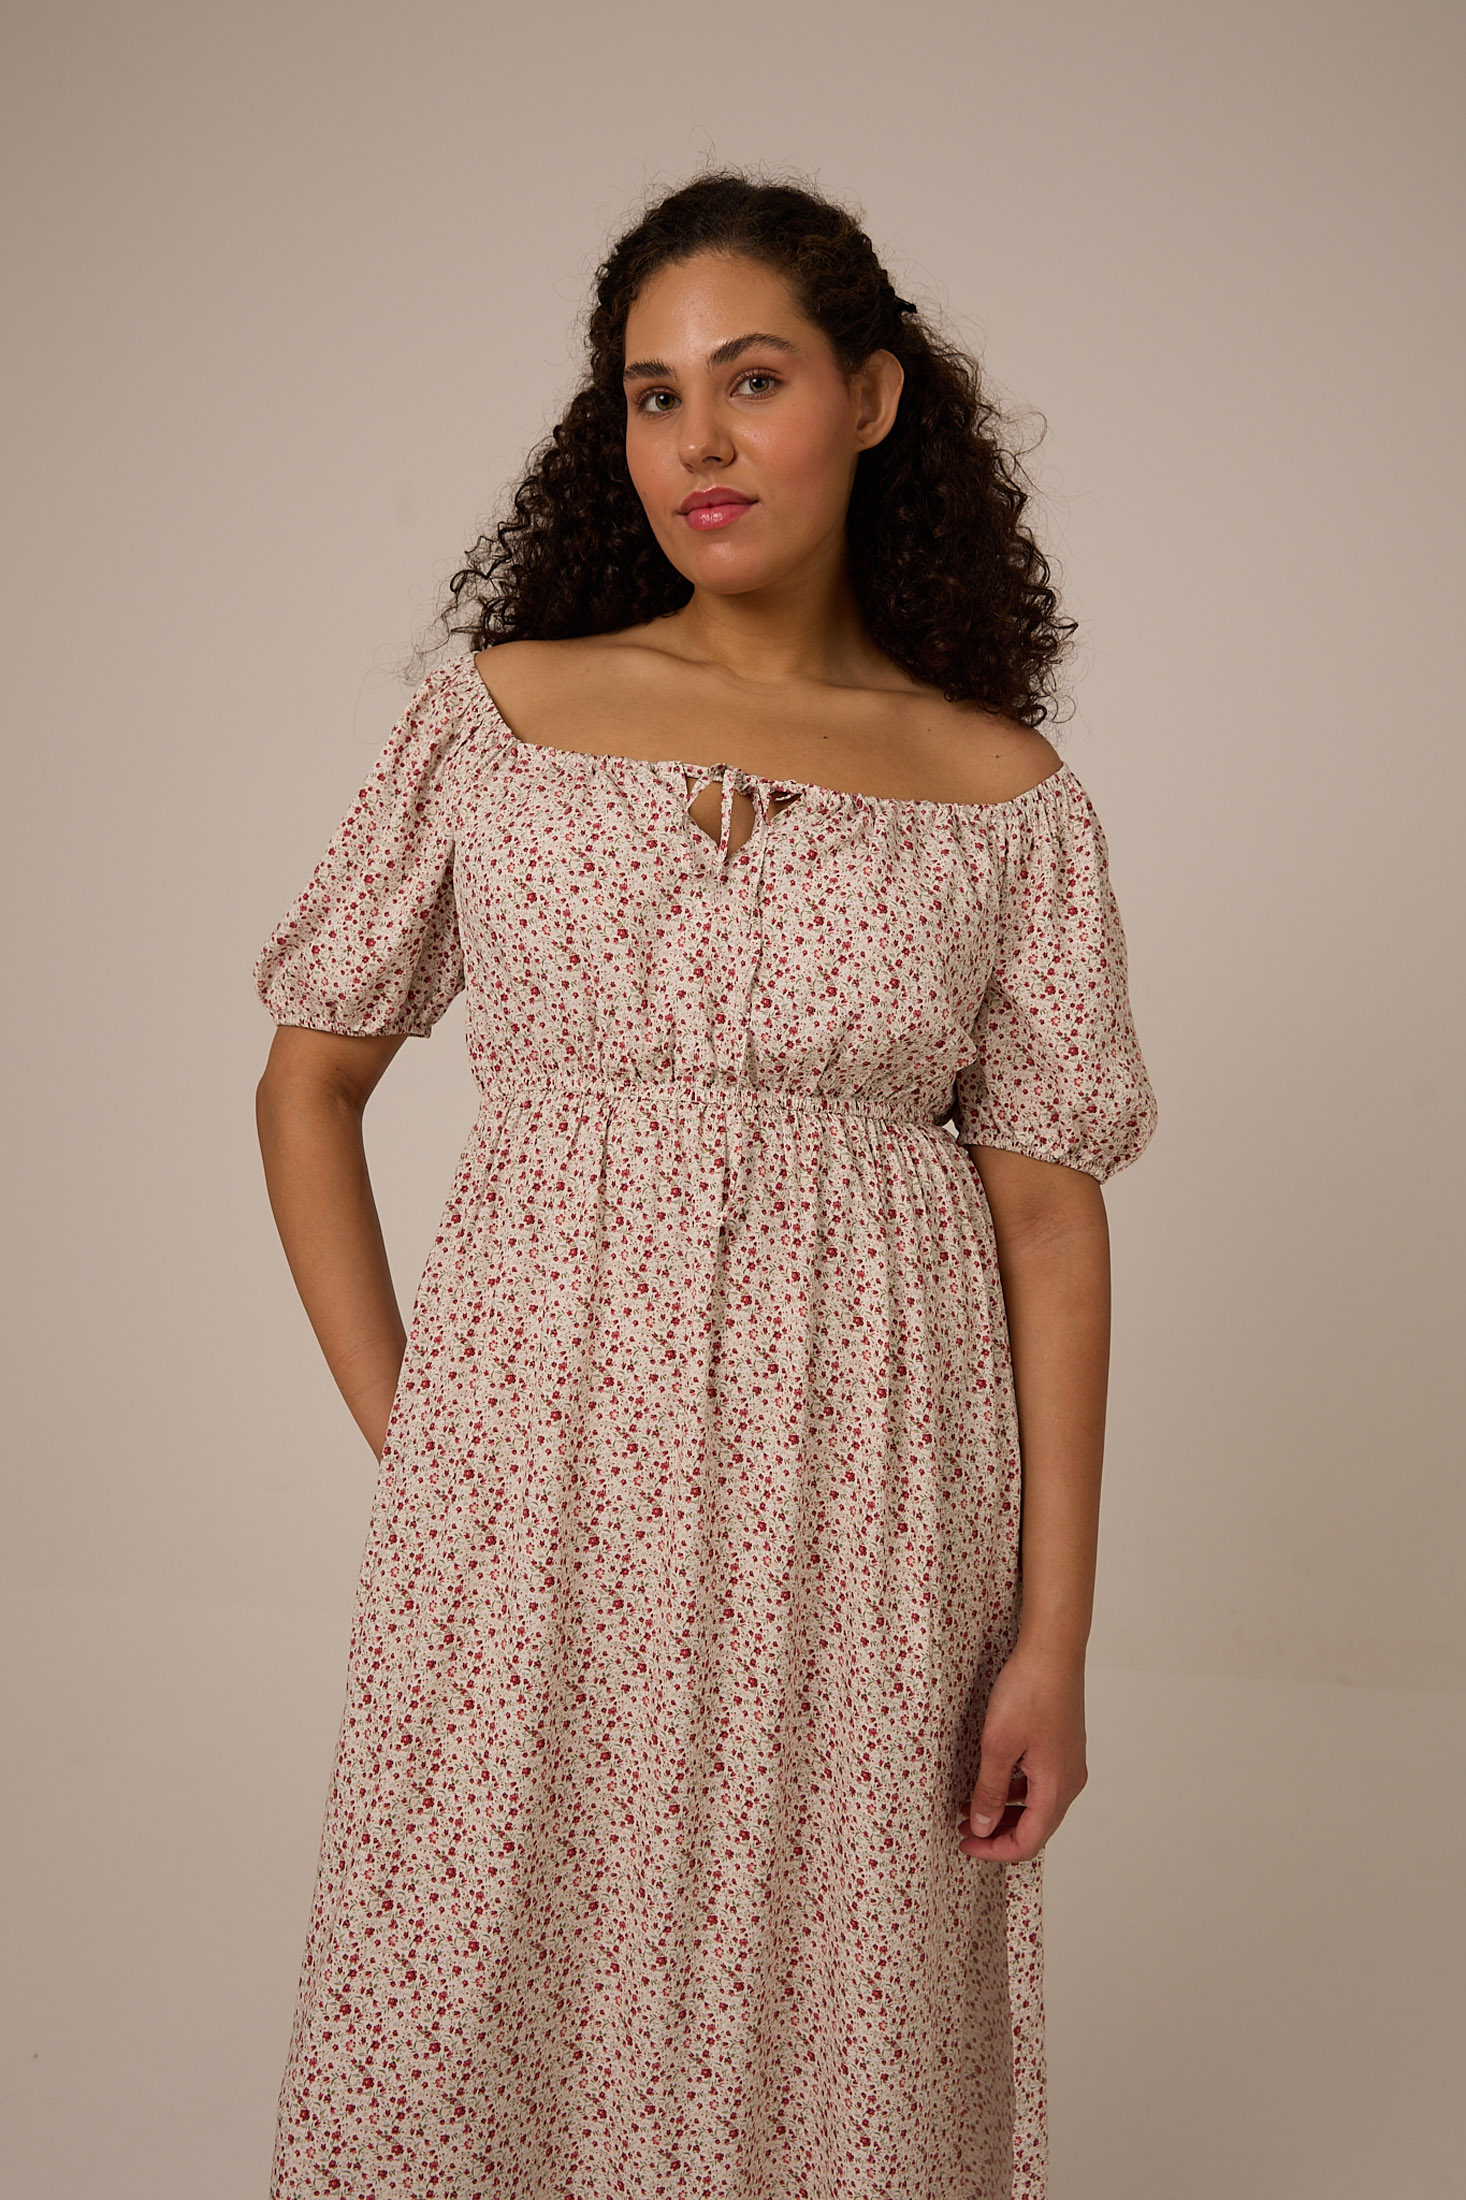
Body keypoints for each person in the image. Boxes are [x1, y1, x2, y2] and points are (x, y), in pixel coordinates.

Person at [254, 170, 1159, 2200]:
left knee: (833, 1995)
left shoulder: (1005, 798)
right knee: (477, 1979)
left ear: (873, 399)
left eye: (751, 381)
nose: (699, 442)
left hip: (875, 1510)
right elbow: (308, 1085)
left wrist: (1052, 1638)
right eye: (653, 396)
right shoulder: (501, 720)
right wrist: (428, 1436)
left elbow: (1046, 1215)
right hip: (531, 1491)